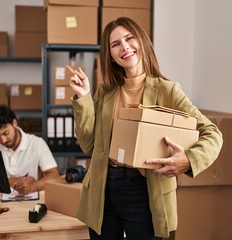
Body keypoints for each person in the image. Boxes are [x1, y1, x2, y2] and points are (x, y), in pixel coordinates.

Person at [66, 17, 223, 240]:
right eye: (115, 44)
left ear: (142, 41)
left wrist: (189, 159)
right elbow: (88, 144)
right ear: (110, 54)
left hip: (145, 190)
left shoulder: (168, 91)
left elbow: (212, 133)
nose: (124, 47)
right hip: (103, 189)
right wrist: (83, 98)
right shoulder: (105, 92)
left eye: (129, 38)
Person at [0, 104, 59, 195]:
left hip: (30, 197)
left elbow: (54, 175)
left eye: (6, 133)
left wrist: (32, 187)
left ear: (14, 123)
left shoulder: (37, 143)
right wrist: (13, 181)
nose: (3, 140)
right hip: (0, 198)